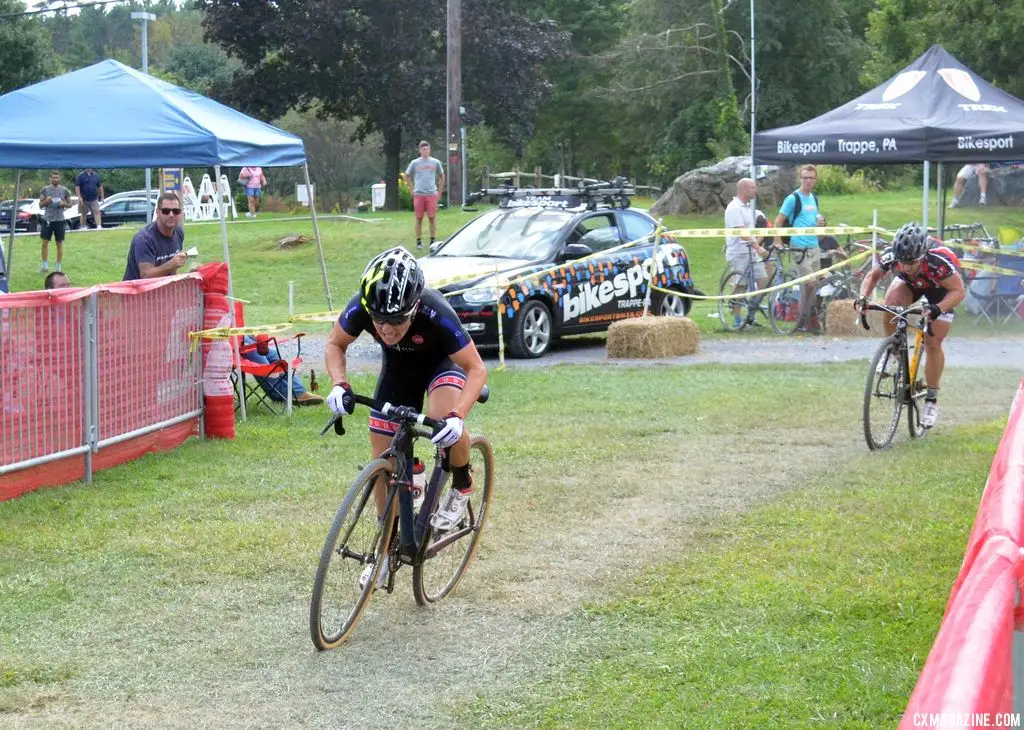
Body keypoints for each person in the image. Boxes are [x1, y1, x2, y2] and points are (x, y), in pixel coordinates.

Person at [324, 246, 487, 588]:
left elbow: (475, 369)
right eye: (379, 319)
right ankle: (385, 551)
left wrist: (458, 416)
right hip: (398, 375)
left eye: (396, 320)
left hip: (441, 368)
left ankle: (461, 482)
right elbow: (335, 345)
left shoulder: (436, 312)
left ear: (414, 308)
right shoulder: (362, 306)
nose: (385, 328)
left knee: (441, 420)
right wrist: (339, 384)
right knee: (384, 464)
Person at [857, 222, 965, 429]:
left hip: (941, 291)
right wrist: (863, 297)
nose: (906, 267)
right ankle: (894, 352)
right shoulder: (893, 254)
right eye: (902, 262)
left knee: (933, 342)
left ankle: (932, 400)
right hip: (911, 285)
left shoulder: (938, 261)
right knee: (891, 305)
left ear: (922, 255)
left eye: (911, 263)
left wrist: (937, 309)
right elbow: (872, 276)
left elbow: (958, 291)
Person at [774, 164, 825, 334]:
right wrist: (778, 241)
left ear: (815, 179)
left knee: (815, 285)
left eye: (811, 178)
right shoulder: (793, 199)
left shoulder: (814, 199)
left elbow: (814, 220)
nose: (808, 181)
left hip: (813, 245)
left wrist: (820, 223)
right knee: (808, 284)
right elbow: (779, 221)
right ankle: (806, 319)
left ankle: (807, 319)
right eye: (805, 178)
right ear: (801, 179)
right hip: (799, 245)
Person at [724, 178, 771, 329]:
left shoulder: (748, 207)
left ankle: (750, 312)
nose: (755, 190)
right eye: (752, 188)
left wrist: (756, 245)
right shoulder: (734, 208)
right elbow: (741, 232)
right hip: (739, 252)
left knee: (764, 281)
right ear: (744, 190)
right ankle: (737, 318)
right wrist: (758, 247)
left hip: (751, 250)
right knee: (741, 285)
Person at [241, 335, 324, 406]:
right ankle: (284, 394)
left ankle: (298, 391)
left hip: (241, 336)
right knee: (266, 366)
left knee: (273, 355)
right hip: (233, 343)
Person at [123, 191, 188, 280]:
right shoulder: (144, 239)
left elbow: (172, 271)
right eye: (166, 211)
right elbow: (145, 275)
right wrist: (171, 264)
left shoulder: (178, 232)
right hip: (137, 290)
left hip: (162, 289)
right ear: (157, 212)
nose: (171, 215)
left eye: (176, 211)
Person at [403, 141, 445, 250]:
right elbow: (406, 175)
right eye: (423, 149)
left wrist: (439, 192)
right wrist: (412, 189)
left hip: (431, 193)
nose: (426, 151)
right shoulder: (415, 163)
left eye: (427, 149)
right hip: (419, 194)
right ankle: (418, 242)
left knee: (432, 217)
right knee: (419, 218)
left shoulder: (435, 162)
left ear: (430, 150)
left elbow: (441, 176)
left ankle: (432, 241)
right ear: (420, 151)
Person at [38, 170, 71, 274]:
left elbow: (70, 204)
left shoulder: (64, 190)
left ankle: (58, 266)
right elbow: (40, 205)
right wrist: (46, 201)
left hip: (60, 219)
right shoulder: (45, 190)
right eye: (53, 177)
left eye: (57, 177)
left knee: (59, 243)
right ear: (50, 178)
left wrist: (63, 203)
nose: (55, 179)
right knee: (44, 243)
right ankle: (45, 265)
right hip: (48, 219)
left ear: (59, 178)